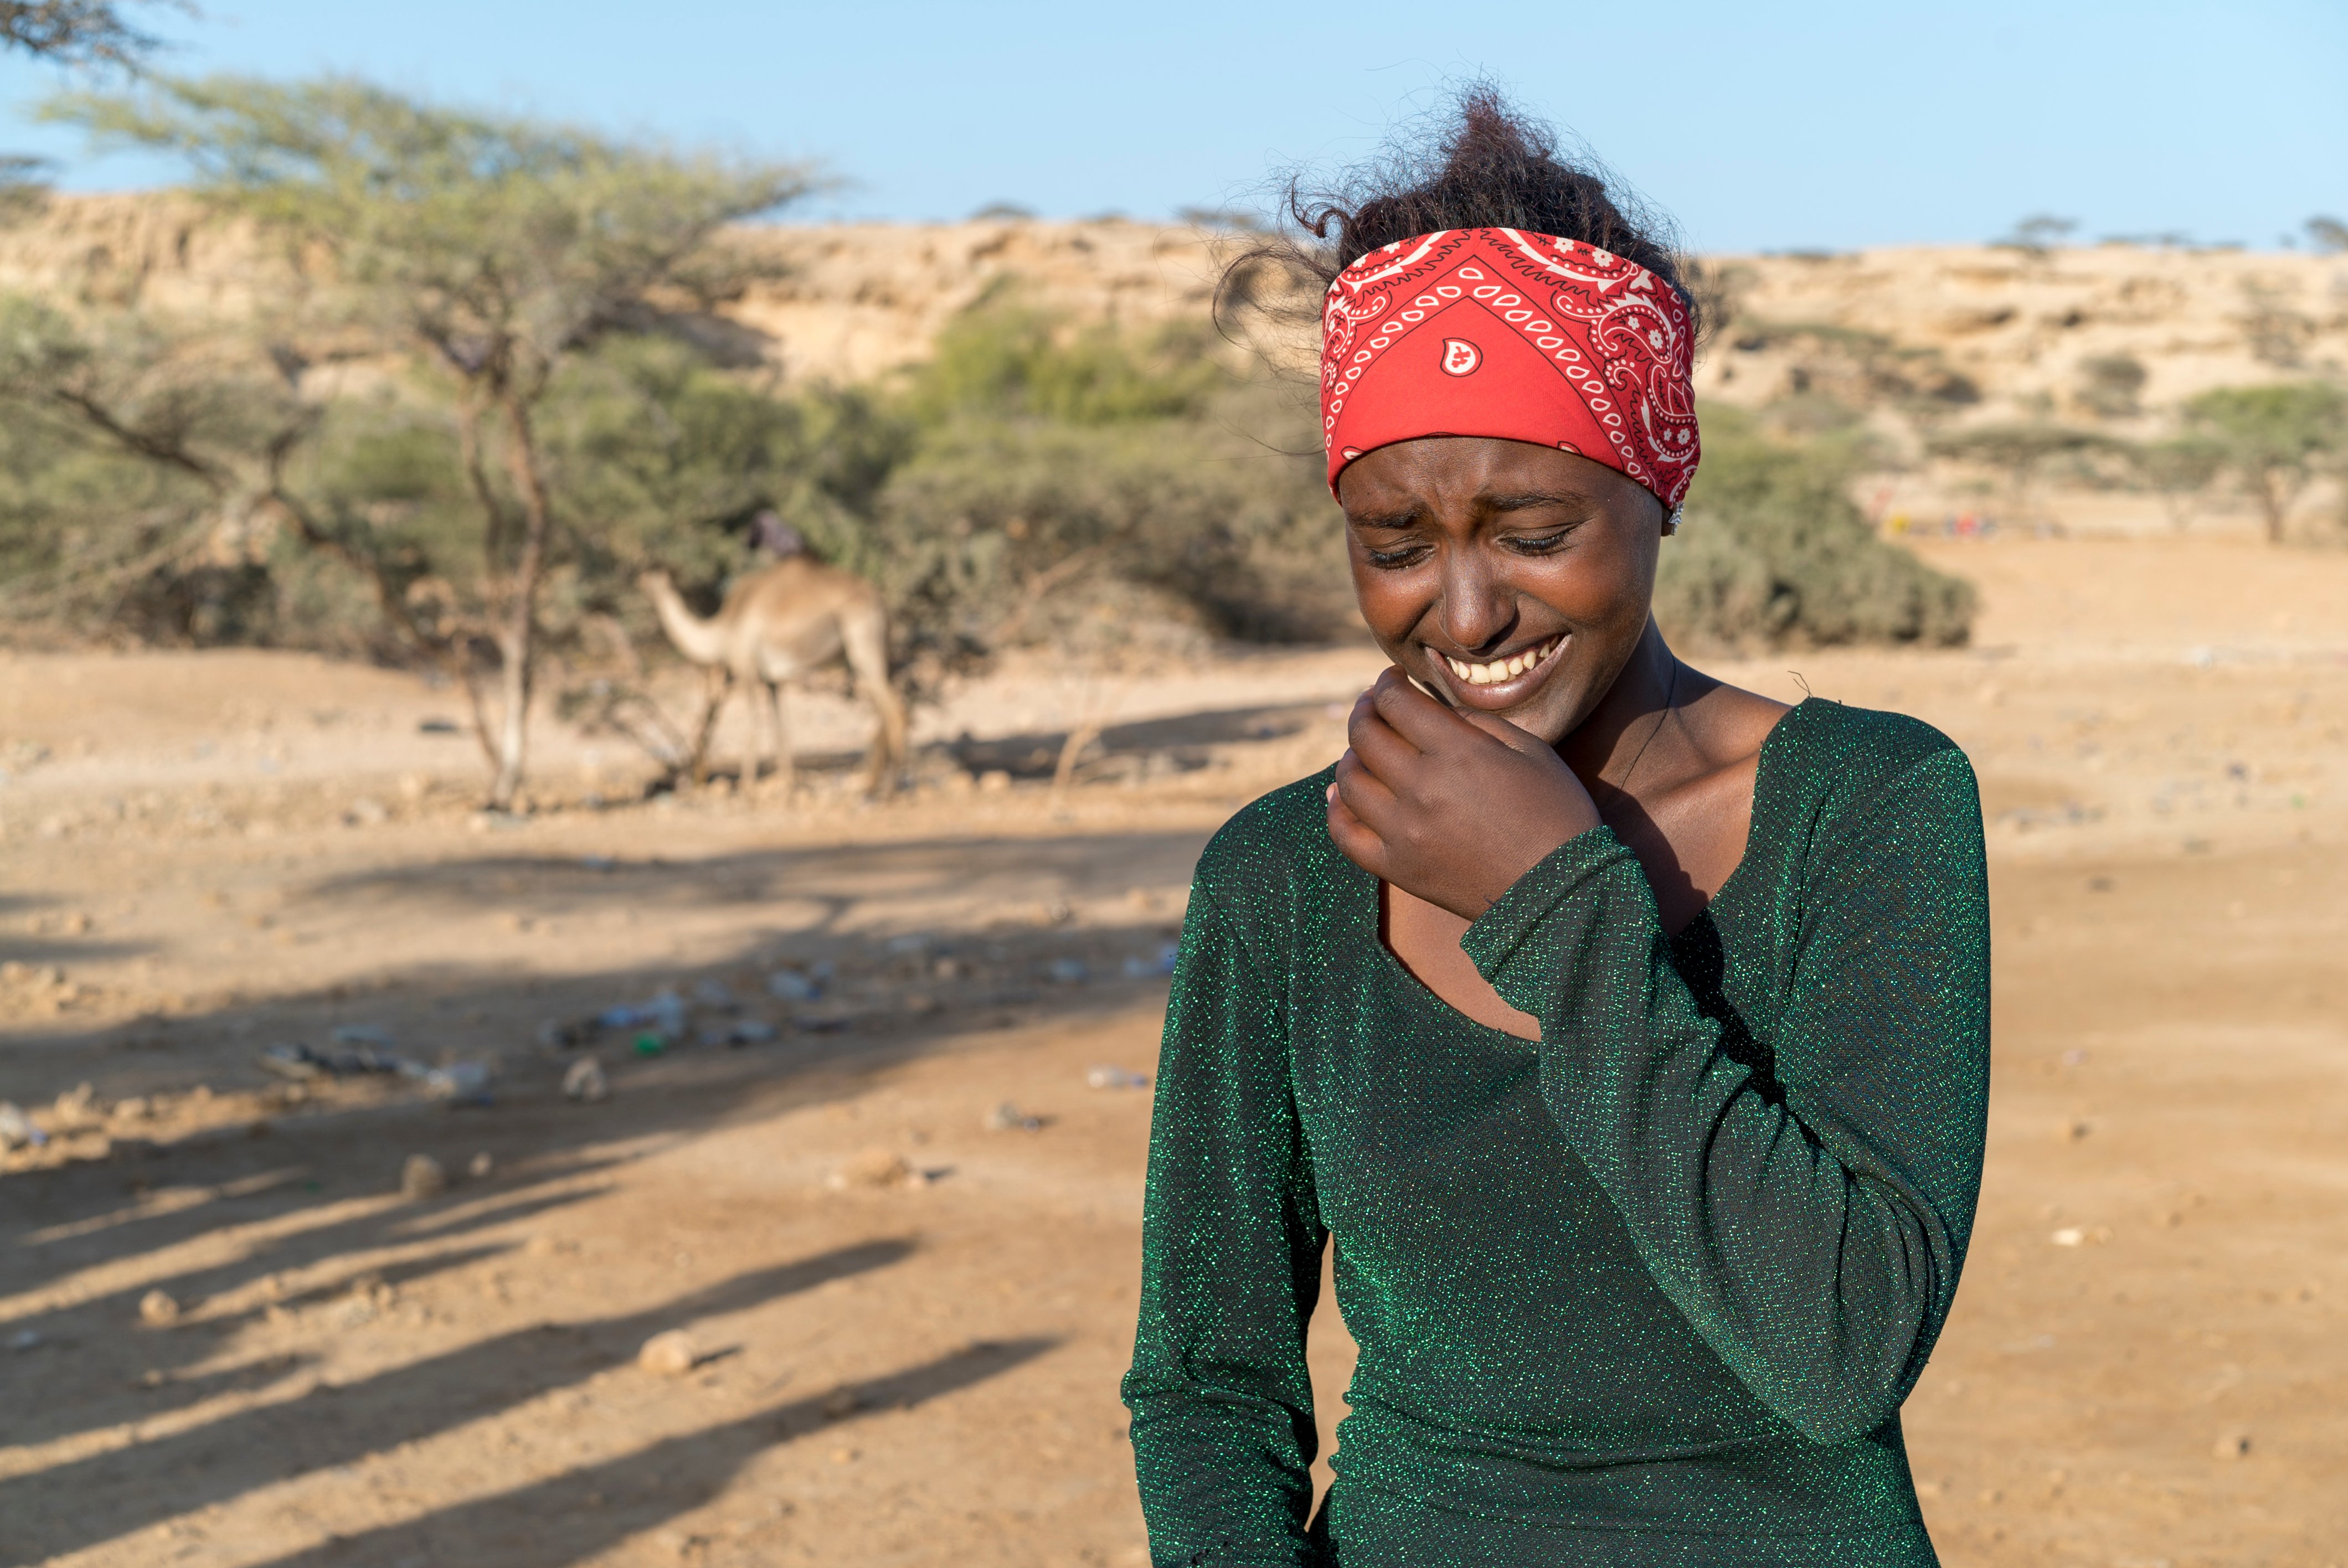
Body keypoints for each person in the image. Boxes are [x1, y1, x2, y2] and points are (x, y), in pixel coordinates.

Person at [1122, 91, 1989, 1567]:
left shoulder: (1868, 806)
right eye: (1396, 547)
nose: (1462, 614)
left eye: (1534, 536)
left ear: (1660, 487)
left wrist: (1557, 904)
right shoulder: (1283, 875)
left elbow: (1841, 1353)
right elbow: (1209, 1381)